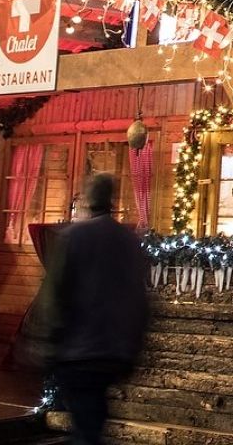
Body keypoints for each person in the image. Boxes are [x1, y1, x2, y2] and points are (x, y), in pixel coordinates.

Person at [47, 174, 150, 445]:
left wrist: (48, 339)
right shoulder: (128, 240)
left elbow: (56, 292)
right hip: (114, 348)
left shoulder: (74, 236)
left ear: (88, 200)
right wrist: (134, 343)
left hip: (78, 349)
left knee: (85, 424)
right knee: (92, 420)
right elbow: (139, 296)